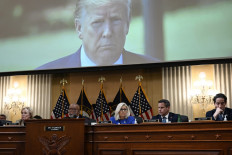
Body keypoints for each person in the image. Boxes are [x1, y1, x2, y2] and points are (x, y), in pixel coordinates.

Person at [36, 0, 159, 70]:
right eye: (97, 22)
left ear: (127, 24)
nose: (107, 32)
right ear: (79, 28)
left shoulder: (156, 71)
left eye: (115, 20)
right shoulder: (46, 76)